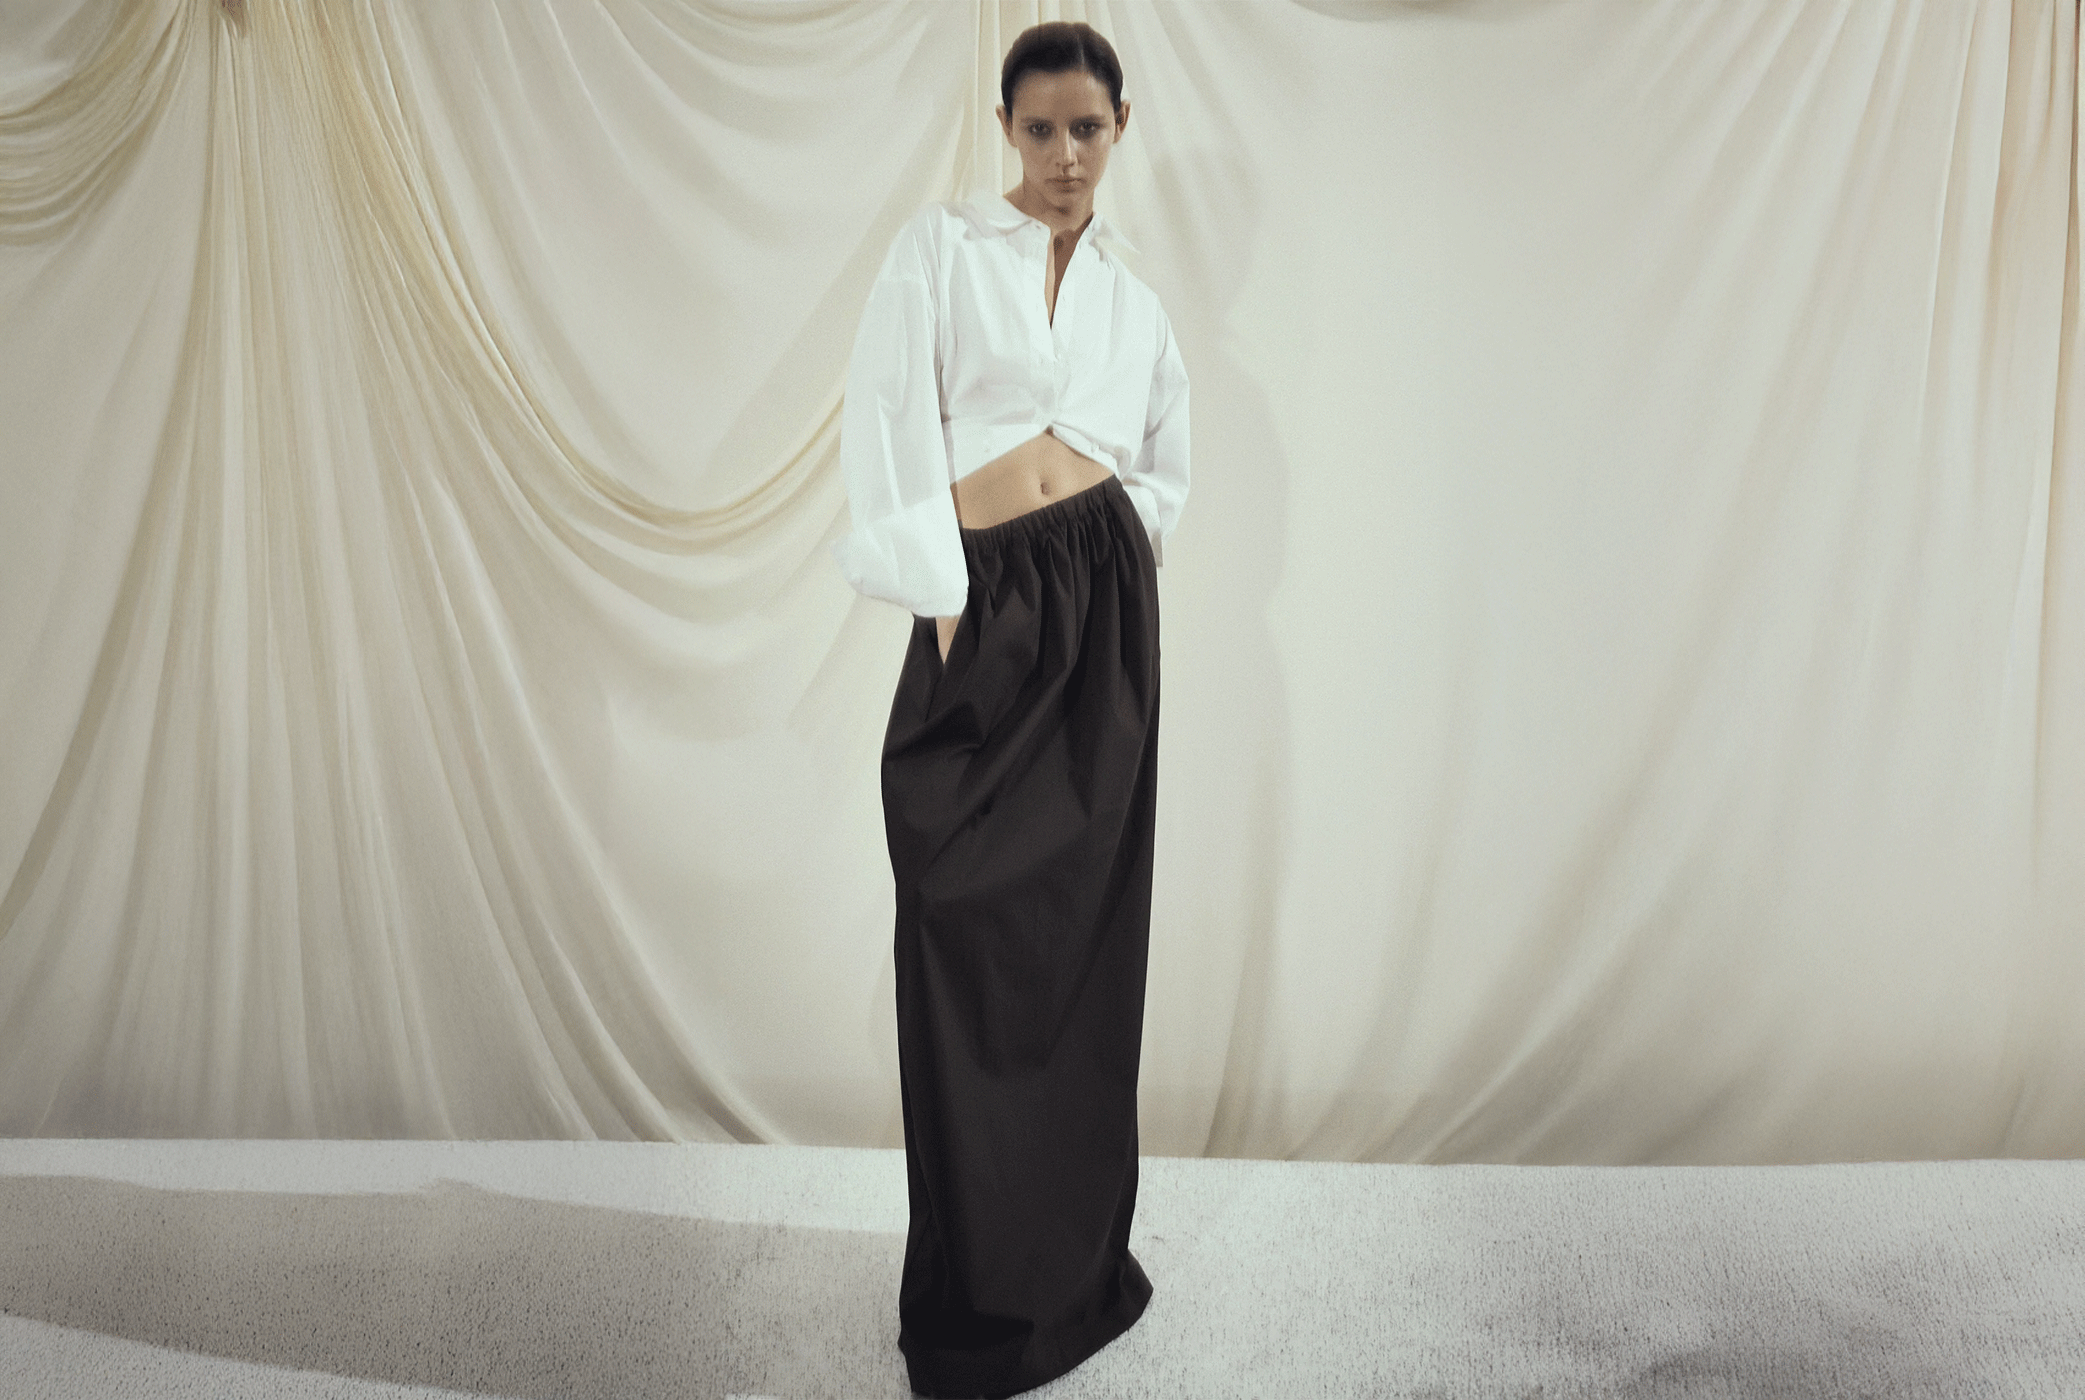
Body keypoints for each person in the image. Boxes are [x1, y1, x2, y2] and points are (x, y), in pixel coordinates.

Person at [828, 20, 1191, 1398]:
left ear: (1121, 128)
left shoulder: (1132, 298)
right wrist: (943, 591)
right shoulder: (941, 251)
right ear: (1005, 129)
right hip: (979, 605)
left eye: (1086, 128)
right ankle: (977, 1297)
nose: (1063, 156)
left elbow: (1163, 459)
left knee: (1083, 947)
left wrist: (1114, 573)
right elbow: (885, 413)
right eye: (1039, 130)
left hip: (1098, 619)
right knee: (957, 920)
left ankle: (1074, 1279)